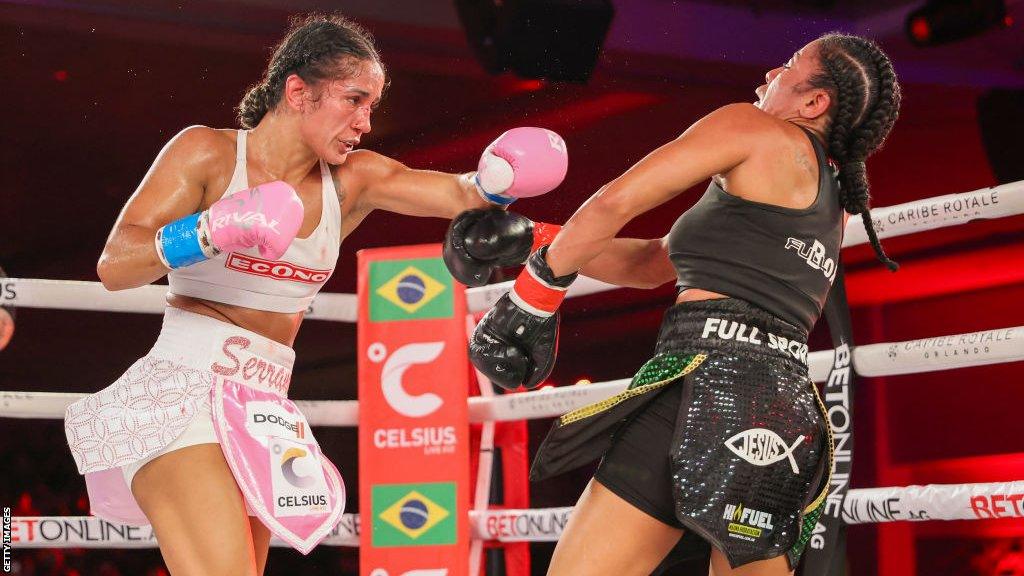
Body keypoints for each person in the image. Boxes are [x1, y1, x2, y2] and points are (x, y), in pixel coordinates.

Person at [63, 13, 567, 575]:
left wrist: (499, 178)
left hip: (261, 406)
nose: (364, 122)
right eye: (354, 100)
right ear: (298, 91)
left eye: (371, 105)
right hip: (181, 393)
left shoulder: (353, 180)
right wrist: (207, 231)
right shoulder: (207, 154)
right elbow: (115, 266)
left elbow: (459, 194)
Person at [456, 32, 900, 575]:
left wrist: (536, 291)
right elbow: (652, 263)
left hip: (705, 385)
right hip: (785, 418)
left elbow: (615, 201)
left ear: (814, 102)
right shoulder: (834, 200)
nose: (767, 76)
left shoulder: (752, 126)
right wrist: (533, 238)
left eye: (786, 67)